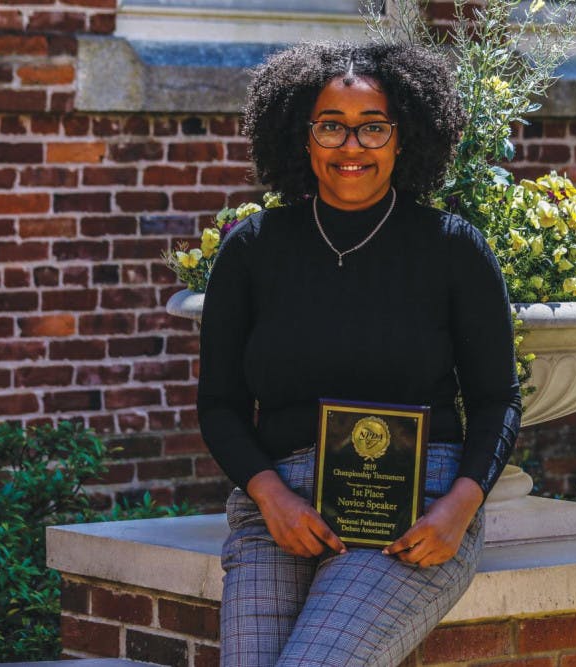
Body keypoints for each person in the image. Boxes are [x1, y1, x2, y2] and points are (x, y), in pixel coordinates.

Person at [197, 41, 522, 667]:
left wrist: (459, 508)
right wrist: (271, 497)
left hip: (415, 513)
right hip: (281, 511)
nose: (352, 148)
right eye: (331, 128)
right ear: (302, 137)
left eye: (373, 127)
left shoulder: (453, 250)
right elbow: (219, 404)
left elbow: (497, 399)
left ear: (403, 138)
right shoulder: (253, 252)